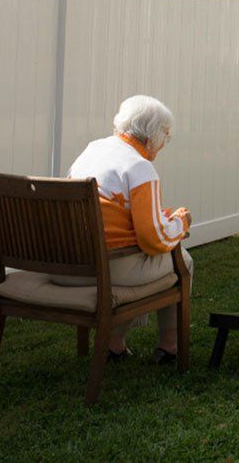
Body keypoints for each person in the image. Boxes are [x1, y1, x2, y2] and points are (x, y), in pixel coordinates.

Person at [56, 95, 193, 363]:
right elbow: (153, 239)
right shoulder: (140, 167)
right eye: (166, 136)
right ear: (153, 136)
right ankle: (169, 347)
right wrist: (180, 222)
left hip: (67, 266)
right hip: (105, 271)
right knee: (182, 260)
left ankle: (114, 345)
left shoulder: (93, 149)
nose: (165, 144)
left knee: (142, 260)